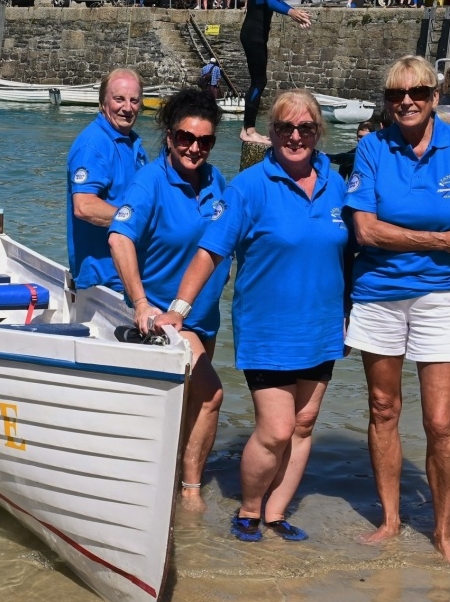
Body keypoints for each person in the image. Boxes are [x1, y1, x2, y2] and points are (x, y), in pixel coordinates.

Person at [156, 89, 351, 540]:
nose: (295, 136)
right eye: (285, 128)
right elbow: (210, 251)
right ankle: (248, 509)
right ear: (271, 133)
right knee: (277, 428)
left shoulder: (337, 184)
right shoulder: (248, 187)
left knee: (303, 426)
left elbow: (356, 251)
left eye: (305, 128)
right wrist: (178, 310)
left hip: (323, 326)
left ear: (318, 132)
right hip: (268, 328)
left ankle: (277, 514)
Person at [344, 55, 450, 566]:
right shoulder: (371, 147)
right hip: (378, 293)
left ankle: (442, 532)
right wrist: (437, 240)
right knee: (383, 409)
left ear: (435, 96)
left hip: (445, 298)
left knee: (439, 422)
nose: (407, 102)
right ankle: (391, 520)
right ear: (388, 102)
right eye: (397, 95)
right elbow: (365, 230)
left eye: (417, 92)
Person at [108, 88, 231, 513]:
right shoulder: (150, 181)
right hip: (168, 320)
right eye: (185, 138)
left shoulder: (217, 181)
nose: (194, 148)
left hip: (208, 316)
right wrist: (140, 302)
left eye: (205, 141)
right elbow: (119, 237)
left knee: (188, 407)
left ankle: (166, 481)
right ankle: (191, 491)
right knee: (212, 395)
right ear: (169, 135)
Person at [66, 68, 147, 293]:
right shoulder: (93, 145)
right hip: (104, 279)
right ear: (103, 102)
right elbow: (84, 206)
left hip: (130, 272)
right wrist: (138, 220)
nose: (127, 108)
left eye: (134, 100)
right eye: (119, 99)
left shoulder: (131, 143)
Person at [239, 0, 312, 145]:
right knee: (259, 81)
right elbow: (272, 2)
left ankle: (248, 129)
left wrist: (296, 13)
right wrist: (292, 12)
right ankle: (248, 130)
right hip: (253, 35)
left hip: (255, 35)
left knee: (259, 80)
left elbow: (275, 1)